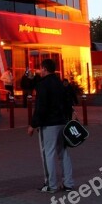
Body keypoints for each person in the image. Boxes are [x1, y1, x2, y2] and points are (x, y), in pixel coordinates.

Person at [27, 59, 74, 193]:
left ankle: (50, 184)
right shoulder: (59, 83)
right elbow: (67, 103)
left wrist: (33, 124)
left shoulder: (43, 84)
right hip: (62, 122)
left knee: (48, 153)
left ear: (44, 69)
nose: (39, 71)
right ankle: (68, 183)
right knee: (63, 152)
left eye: (40, 69)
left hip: (49, 123)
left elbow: (41, 106)